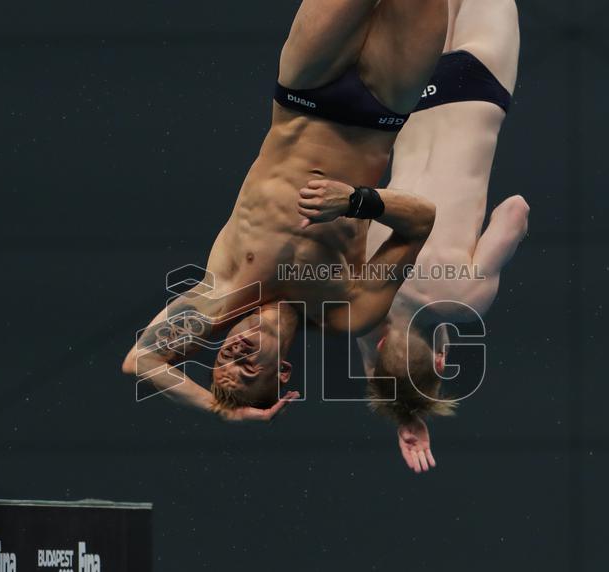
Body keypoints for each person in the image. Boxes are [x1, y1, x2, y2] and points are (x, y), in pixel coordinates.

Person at [122, 0, 449, 421]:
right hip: (383, 109)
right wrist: (354, 200)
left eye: (221, 359)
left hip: (306, 90)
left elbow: (141, 362)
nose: (233, 353)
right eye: (246, 369)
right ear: (284, 372)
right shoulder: (347, 312)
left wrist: (223, 411)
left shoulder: (221, 293)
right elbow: (421, 220)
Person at [357, 0, 531, 472]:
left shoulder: (463, 300)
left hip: (478, 90)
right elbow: (366, 333)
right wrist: (400, 408)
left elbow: (515, 210)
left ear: (440, 361)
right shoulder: (369, 289)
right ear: (377, 350)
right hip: (410, 97)